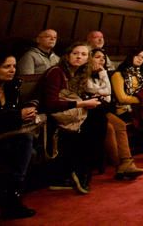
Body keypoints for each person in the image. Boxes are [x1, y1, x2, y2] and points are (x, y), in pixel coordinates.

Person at [42, 42, 107, 194]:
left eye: (84, 54)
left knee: (100, 116)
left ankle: (82, 170)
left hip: (71, 112)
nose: (79, 57)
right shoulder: (56, 72)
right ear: (67, 55)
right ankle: (82, 171)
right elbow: (50, 104)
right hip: (53, 115)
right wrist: (82, 103)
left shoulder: (78, 73)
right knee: (96, 122)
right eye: (75, 53)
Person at [0, 49, 39, 219]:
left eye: (14, 66)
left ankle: (11, 198)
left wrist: (27, 112)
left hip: (5, 137)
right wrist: (17, 116)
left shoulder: (12, 88)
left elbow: (10, 114)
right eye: (6, 66)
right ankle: (12, 199)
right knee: (25, 143)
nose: (12, 70)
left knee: (28, 146)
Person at [85, 48, 143, 179]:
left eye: (103, 58)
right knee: (109, 128)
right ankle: (120, 166)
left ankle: (126, 163)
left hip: (100, 109)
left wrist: (103, 73)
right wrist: (102, 80)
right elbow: (91, 88)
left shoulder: (100, 73)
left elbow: (107, 94)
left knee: (120, 125)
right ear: (89, 59)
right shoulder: (84, 74)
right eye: (97, 57)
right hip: (87, 110)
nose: (101, 60)